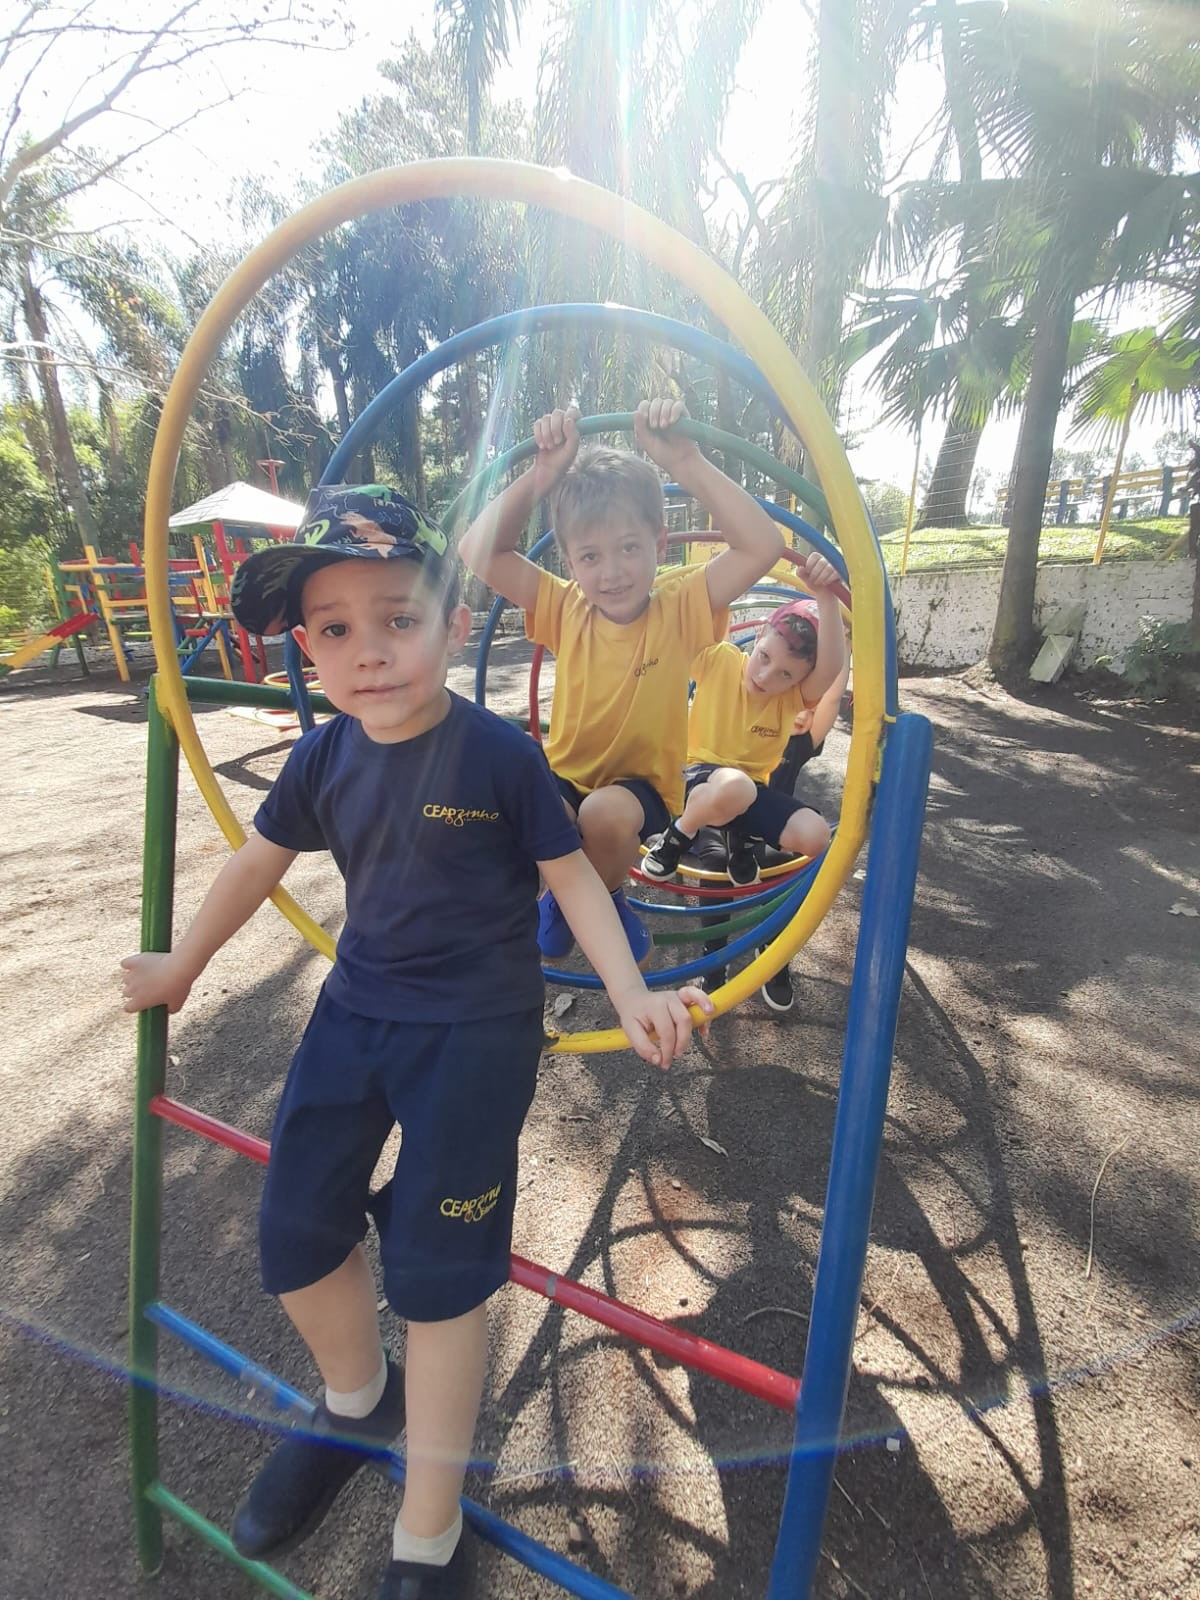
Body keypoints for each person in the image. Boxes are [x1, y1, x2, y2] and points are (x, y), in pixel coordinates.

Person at [119, 484, 712, 1600]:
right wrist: (183, 964)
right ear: (307, 648)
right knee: (297, 1233)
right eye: (335, 628)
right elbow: (257, 863)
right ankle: (357, 1401)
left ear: (452, 622)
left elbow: (572, 876)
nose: (370, 650)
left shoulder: (497, 756)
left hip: (475, 1039)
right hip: (356, 1016)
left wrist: (629, 989)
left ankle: (428, 1533)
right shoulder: (322, 757)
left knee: (441, 1281)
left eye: (398, 618)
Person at [458, 398, 784, 966]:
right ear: (569, 561)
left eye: (629, 548)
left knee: (602, 816)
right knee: (518, 803)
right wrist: (543, 473)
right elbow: (475, 550)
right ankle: (568, 897)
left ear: (659, 544)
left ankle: (602, 898)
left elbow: (763, 546)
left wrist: (685, 462)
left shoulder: (681, 607)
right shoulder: (564, 606)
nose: (611, 572)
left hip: (641, 791)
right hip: (565, 775)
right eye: (590, 556)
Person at [641, 550, 847, 890]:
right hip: (696, 776)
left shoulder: (791, 699)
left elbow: (831, 668)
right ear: (760, 634)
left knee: (816, 835)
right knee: (737, 787)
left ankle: (742, 836)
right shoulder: (719, 660)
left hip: (749, 791)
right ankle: (677, 836)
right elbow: (687, 620)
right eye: (764, 656)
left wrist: (826, 596)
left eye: (785, 674)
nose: (766, 676)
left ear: (800, 680)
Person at [692, 660, 849, 1012]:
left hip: (772, 834)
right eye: (792, 701)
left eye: (808, 706)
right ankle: (713, 959)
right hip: (720, 825)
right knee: (715, 867)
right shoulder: (742, 725)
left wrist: (845, 641)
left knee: (782, 868)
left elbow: (831, 696)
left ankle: (773, 953)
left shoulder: (801, 743)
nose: (801, 713)